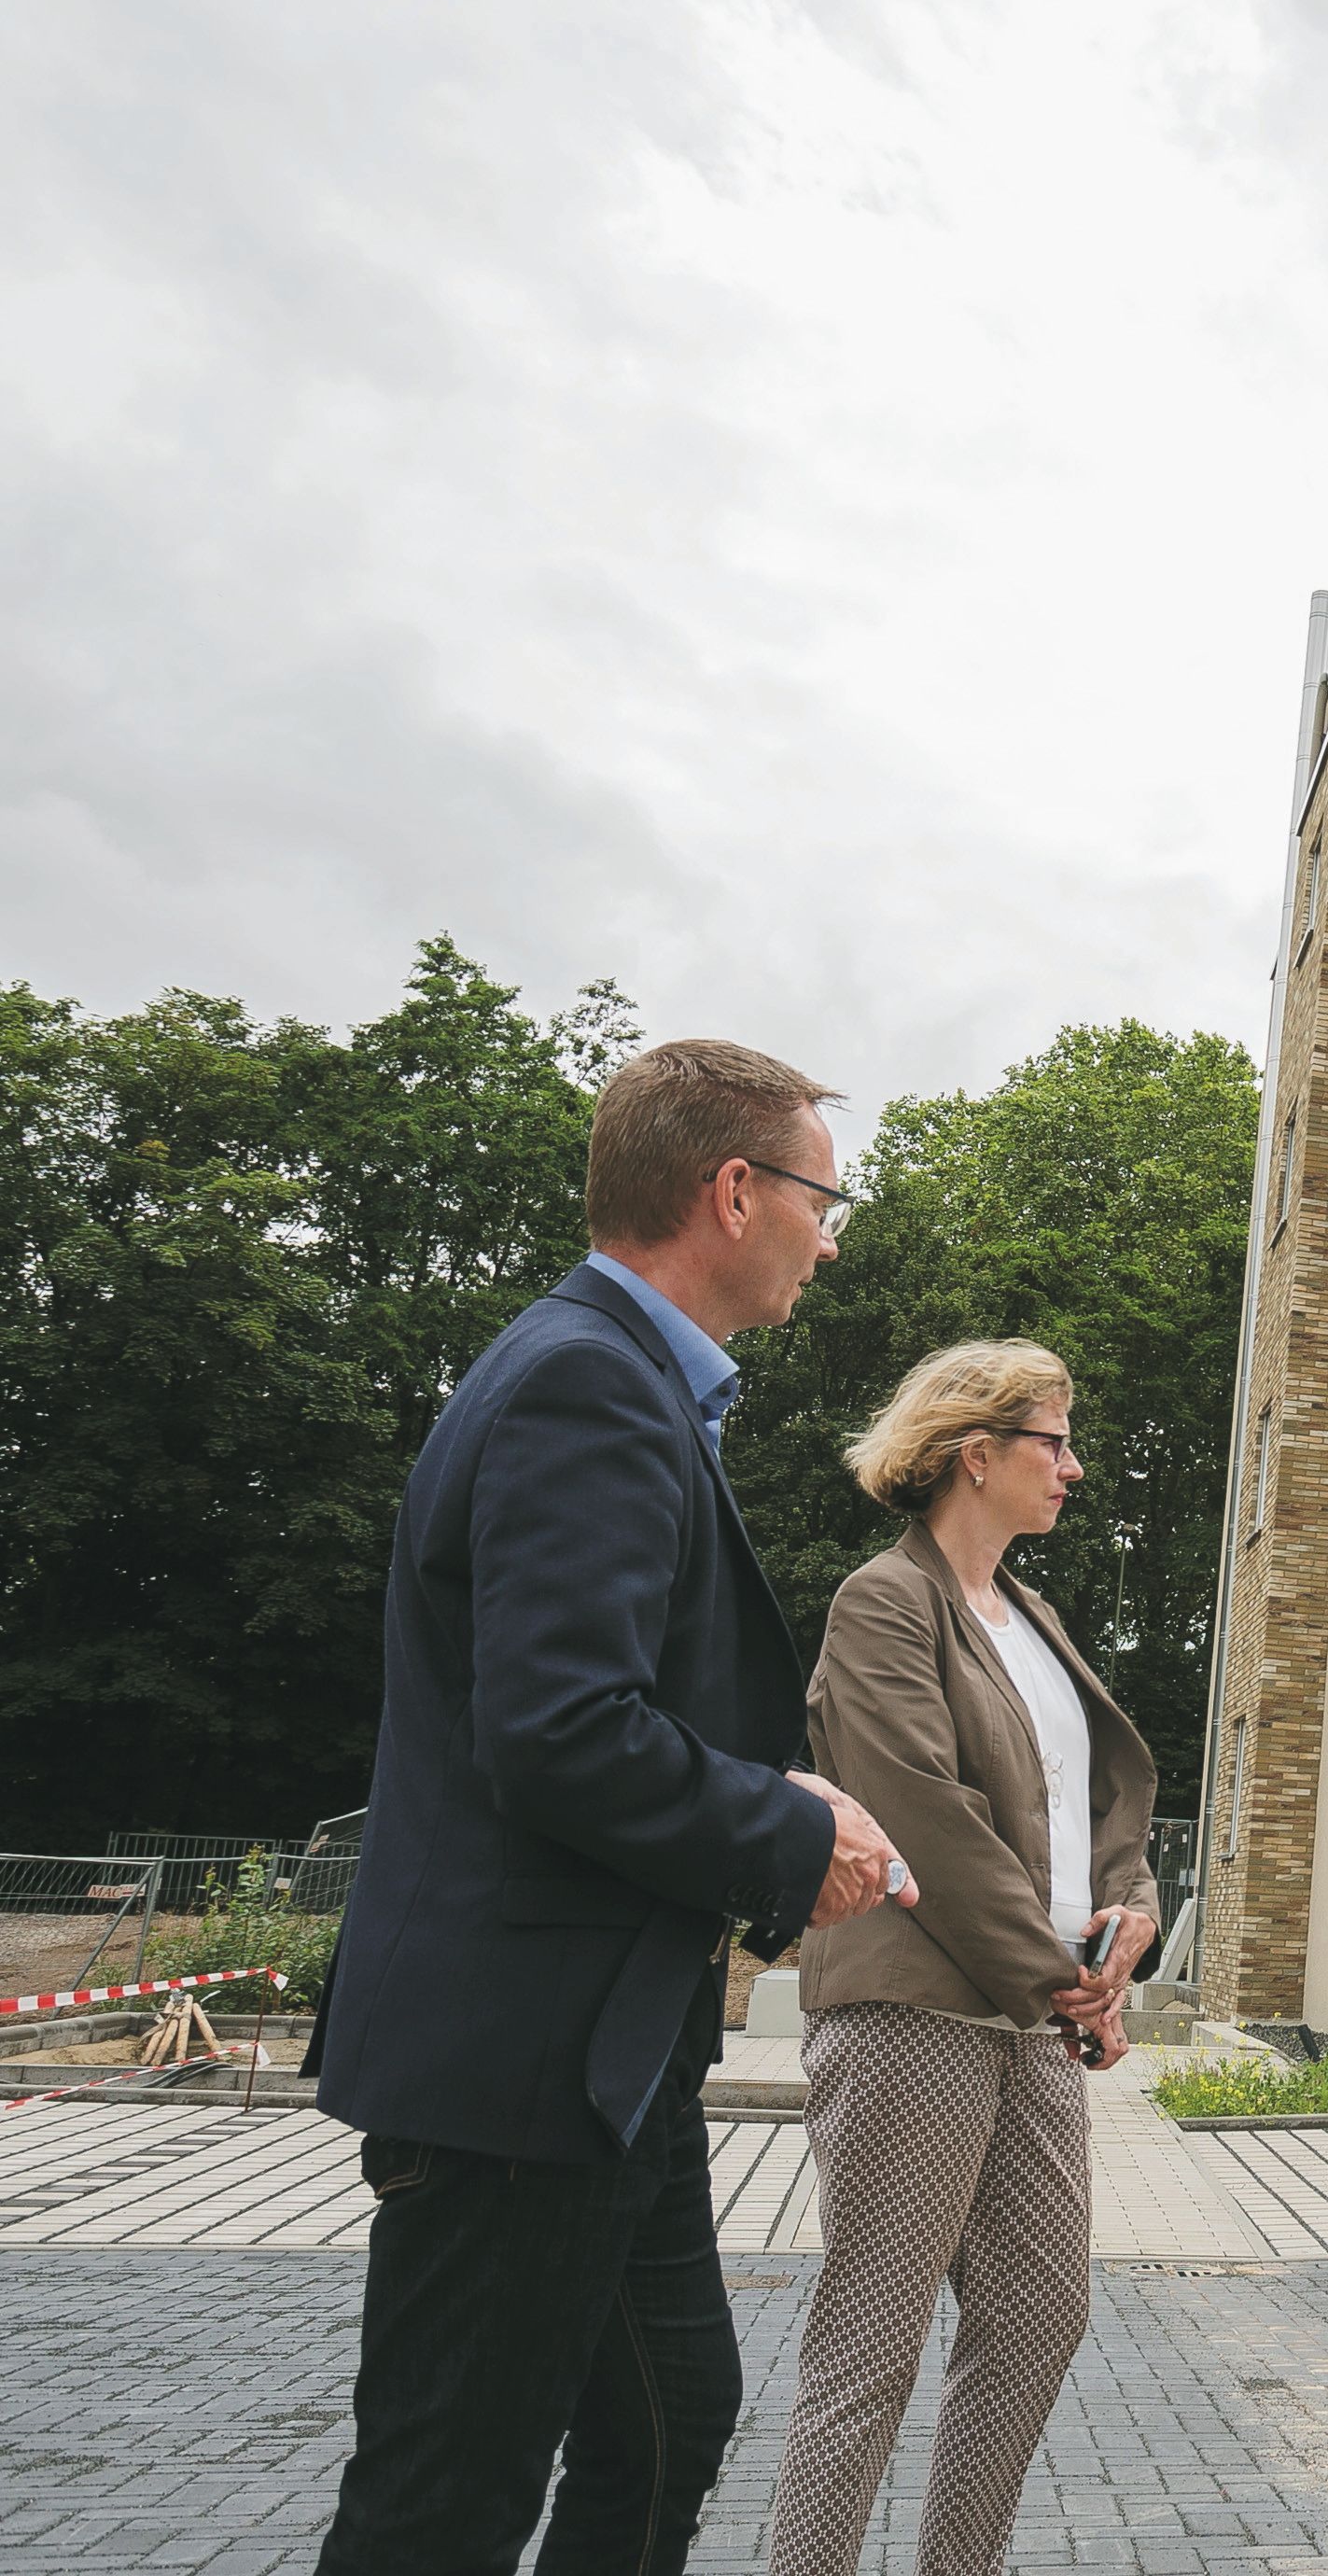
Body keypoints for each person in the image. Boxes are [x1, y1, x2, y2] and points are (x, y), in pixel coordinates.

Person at [312, 1039, 916, 2576]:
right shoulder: (589, 1377)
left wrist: (762, 1787)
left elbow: (581, 1704)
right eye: (819, 1197)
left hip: (604, 2055)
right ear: (733, 1191)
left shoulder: (618, 1374)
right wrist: (790, 1828)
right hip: (518, 2061)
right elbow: (559, 1728)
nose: (830, 1235)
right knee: (440, 2503)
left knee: (668, 2413)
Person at [762, 1338, 1166, 2576]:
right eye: (1055, 1439)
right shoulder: (885, 1601)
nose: (1075, 1467)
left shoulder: (1033, 1616)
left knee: (1042, 2311)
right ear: (974, 1454)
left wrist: (1129, 1911)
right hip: (918, 2012)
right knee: (872, 2344)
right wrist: (1067, 1982)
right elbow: (921, 1811)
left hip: (1033, 2008)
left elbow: (1098, 1794)